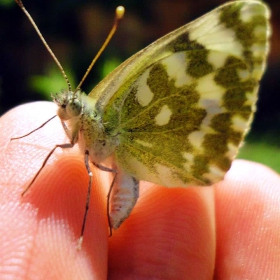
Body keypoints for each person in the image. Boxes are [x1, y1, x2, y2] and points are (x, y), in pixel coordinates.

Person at [1, 102, 279, 279]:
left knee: (86, 176)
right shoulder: (77, 125)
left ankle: (84, 230)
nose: (62, 110)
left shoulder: (96, 123)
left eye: (68, 107)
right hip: (121, 166)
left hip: (128, 170)